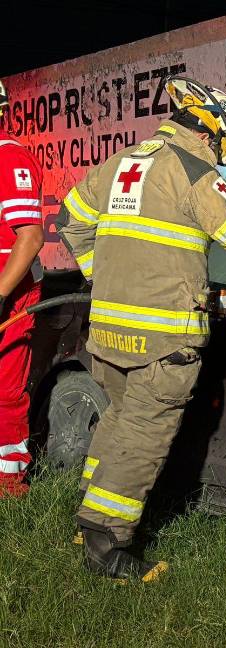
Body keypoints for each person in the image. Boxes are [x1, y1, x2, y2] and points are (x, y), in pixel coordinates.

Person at [56, 76, 226, 581]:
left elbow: (70, 219)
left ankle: (86, 522)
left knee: (118, 423)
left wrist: (103, 275)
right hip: (162, 339)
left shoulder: (123, 163)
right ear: (211, 128)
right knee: (145, 434)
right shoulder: (193, 170)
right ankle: (107, 544)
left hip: (109, 333)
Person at [0, 79, 45, 498]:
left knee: (4, 393)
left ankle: (9, 486)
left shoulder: (10, 157)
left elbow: (29, 239)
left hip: (9, 299)